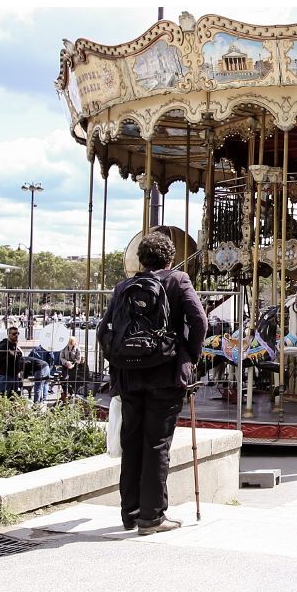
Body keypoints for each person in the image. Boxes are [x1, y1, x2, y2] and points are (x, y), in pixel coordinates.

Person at [98, 229, 208, 534]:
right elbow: (199, 321)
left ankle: (130, 513)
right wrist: (190, 356)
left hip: (129, 375)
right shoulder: (178, 281)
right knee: (157, 443)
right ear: (170, 259)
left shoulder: (124, 287)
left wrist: (119, 359)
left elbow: (104, 330)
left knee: (132, 442)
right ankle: (152, 516)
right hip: (166, 373)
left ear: (140, 260)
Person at [0, 326, 25, 398]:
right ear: (9, 334)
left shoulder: (14, 345)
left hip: (14, 375)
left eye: (17, 333)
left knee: (13, 397)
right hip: (6, 375)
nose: (16, 335)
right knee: (3, 396)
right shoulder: (4, 346)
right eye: (14, 334)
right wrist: (10, 356)